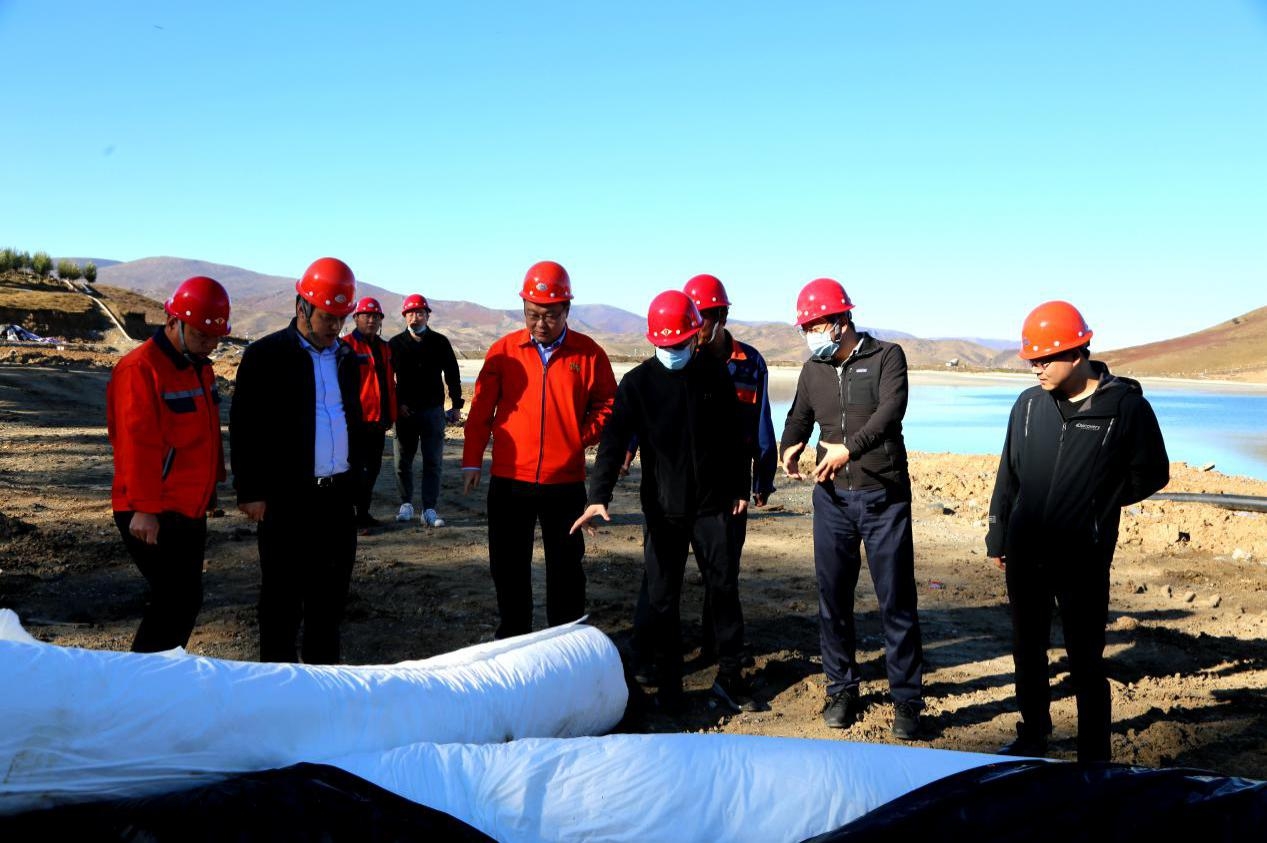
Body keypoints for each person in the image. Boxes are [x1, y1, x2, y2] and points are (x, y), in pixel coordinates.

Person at [987, 300, 1169, 762]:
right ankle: (1033, 734)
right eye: (1032, 360)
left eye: (1045, 359)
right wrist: (998, 534)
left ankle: (1094, 753)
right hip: (1026, 549)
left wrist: (1100, 502)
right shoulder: (1028, 406)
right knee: (1027, 648)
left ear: (1077, 352)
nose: (1036, 368)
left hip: (1082, 555)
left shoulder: (1125, 407)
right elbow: (1009, 474)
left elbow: (1153, 473)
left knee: (1085, 657)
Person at [573, 289, 761, 714]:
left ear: (695, 337)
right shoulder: (638, 384)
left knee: (724, 589)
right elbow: (614, 441)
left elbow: (735, 437)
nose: (674, 352)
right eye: (666, 345)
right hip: (663, 511)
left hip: (713, 507)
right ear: (653, 341)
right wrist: (598, 496)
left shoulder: (713, 373)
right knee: (662, 598)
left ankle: (731, 676)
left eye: (680, 344)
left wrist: (739, 488)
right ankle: (671, 688)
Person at [779, 277, 926, 740]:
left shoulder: (887, 357)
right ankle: (841, 689)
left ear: (841, 320)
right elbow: (799, 415)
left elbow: (890, 413)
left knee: (896, 600)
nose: (810, 334)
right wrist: (789, 446)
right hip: (832, 501)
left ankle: (907, 699)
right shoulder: (813, 370)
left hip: (884, 497)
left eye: (815, 325)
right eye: (805, 328)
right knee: (833, 599)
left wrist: (849, 449)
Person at [625, 274, 777, 673]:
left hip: (726, 487)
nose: (696, 326)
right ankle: (647, 651)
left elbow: (759, 424)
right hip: (673, 488)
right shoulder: (677, 362)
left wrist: (761, 478)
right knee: (659, 575)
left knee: (722, 574)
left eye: (704, 317)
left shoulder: (749, 363)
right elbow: (650, 412)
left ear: (721, 317)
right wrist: (628, 449)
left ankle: (718, 650)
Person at [462, 260, 617, 639]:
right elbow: (481, 410)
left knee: (566, 567)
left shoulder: (588, 354)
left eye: (550, 316)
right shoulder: (504, 351)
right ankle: (514, 638)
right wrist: (471, 461)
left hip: (564, 482)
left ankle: (563, 641)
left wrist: (579, 436)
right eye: (532, 314)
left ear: (566, 310)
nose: (540, 324)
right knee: (508, 565)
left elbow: (609, 404)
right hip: (509, 480)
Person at [230, 257, 363, 664]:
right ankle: (278, 684)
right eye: (327, 317)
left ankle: (323, 682)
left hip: (336, 500)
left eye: (341, 318)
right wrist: (250, 491)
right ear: (301, 307)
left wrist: (357, 480)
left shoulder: (346, 358)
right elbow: (245, 426)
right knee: (282, 601)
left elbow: (350, 419)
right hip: (287, 499)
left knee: (330, 600)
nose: (335, 326)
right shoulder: (266, 356)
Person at [106, 276, 231, 652]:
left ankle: (160, 674)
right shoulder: (140, 369)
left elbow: (205, 434)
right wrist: (144, 509)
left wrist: (210, 486)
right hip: (152, 509)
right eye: (202, 335)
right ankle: (143, 678)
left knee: (184, 599)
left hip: (189, 505)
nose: (210, 344)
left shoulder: (199, 366)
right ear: (173, 321)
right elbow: (136, 445)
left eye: (216, 337)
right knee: (175, 599)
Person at [389, 293, 463, 528]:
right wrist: (396, 404)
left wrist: (456, 404)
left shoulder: (440, 342)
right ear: (404, 316)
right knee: (402, 462)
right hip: (405, 413)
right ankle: (406, 504)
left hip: (433, 411)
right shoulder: (395, 344)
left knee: (433, 462)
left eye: (420, 313)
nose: (415, 317)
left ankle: (429, 509)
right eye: (410, 313)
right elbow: (387, 379)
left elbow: (452, 374)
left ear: (427, 316)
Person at [342, 296, 396, 533]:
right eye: (367, 316)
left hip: (379, 420)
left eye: (376, 316)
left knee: (373, 469)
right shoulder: (344, 346)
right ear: (356, 318)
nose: (371, 320)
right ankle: (351, 517)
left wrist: (392, 412)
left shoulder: (385, 348)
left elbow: (388, 383)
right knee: (354, 471)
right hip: (355, 421)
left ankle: (363, 513)